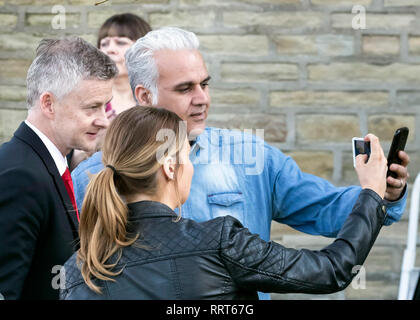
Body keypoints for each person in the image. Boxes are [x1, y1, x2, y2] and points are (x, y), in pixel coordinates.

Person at [71, 27, 410, 299]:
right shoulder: (90, 178)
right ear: (145, 97)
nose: (202, 98)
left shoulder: (251, 156)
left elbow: (326, 209)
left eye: (204, 84)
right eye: (185, 88)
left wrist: (382, 194)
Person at [61, 106, 388, 299]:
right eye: (189, 157)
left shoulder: (80, 270)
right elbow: (333, 269)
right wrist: (372, 192)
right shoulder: (218, 241)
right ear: (170, 168)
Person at [0, 37, 118, 300]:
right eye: (92, 107)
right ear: (49, 104)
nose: (104, 121)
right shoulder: (20, 177)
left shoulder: (47, 163)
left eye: (105, 106)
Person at [68, 13, 152, 171]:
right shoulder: (87, 102)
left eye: (120, 42)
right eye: (104, 43)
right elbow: (73, 165)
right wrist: (91, 146)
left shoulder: (154, 102)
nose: (110, 50)